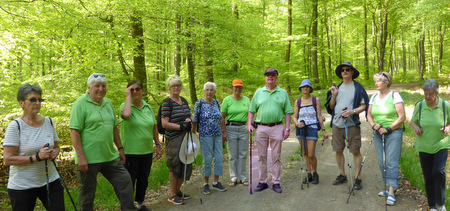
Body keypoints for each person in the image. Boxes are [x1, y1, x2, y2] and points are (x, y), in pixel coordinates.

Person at [70, 73, 136, 211]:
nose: (101, 89)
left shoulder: (108, 103)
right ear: (89, 88)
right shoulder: (80, 104)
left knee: (124, 181)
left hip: (109, 156)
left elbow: (114, 127)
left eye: (103, 86)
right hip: (88, 159)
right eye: (97, 86)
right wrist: (81, 156)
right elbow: (74, 132)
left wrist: (120, 148)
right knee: (87, 194)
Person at [4, 83, 64, 211]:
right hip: (22, 185)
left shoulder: (49, 122)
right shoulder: (15, 126)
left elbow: (57, 147)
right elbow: (8, 159)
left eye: (39, 99)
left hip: (51, 180)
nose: (37, 103)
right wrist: (36, 157)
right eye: (32, 100)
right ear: (21, 103)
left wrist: (55, 152)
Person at [247, 67, 292, 194]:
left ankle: (276, 182)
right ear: (265, 78)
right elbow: (251, 110)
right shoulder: (258, 92)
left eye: (273, 75)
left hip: (277, 127)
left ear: (277, 77)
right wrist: (249, 124)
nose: (270, 77)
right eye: (268, 75)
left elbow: (288, 112)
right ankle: (263, 181)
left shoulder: (282, 92)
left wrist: (287, 128)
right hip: (261, 128)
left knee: (276, 156)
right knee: (261, 156)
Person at [325, 62, 369, 190]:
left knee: (355, 150)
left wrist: (352, 112)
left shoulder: (358, 88)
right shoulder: (336, 88)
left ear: (352, 72)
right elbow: (331, 107)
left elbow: (364, 105)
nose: (345, 71)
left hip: (352, 125)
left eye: (347, 70)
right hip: (337, 124)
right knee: (338, 150)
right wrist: (333, 95)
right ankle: (342, 174)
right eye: (343, 70)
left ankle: (357, 177)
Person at [120, 80, 162, 211]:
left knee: (143, 179)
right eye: (131, 89)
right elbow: (126, 115)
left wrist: (158, 145)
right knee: (129, 181)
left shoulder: (147, 107)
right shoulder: (125, 106)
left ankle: (139, 204)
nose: (135, 92)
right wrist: (128, 97)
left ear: (142, 91)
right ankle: (127, 207)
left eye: (137, 89)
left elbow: (154, 127)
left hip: (147, 151)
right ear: (127, 91)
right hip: (131, 152)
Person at [366, 72, 406, 206]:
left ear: (387, 82)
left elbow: (402, 117)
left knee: (391, 161)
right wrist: (374, 126)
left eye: (379, 81)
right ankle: (388, 186)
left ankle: (391, 191)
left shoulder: (395, 96)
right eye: (375, 81)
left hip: (393, 132)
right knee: (381, 160)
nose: (376, 83)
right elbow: (369, 115)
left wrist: (388, 129)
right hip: (378, 132)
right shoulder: (373, 97)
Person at [410, 79, 450, 211]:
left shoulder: (445, 105)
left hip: (441, 144)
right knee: (428, 175)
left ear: (437, 93)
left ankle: (441, 203)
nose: (428, 97)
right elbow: (413, 121)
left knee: (439, 171)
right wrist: (416, 128)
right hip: (424, 146)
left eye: (431, 94)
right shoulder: (420, 106)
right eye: (425, 94)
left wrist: (448, 127)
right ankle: (432, 205)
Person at [161, 75, 193, 205]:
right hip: (173, 139)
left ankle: (178, 191)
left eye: (178, 85)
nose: (176, 88)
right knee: (175, 165)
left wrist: (190, 120)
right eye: (173, 86)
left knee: (186, 164)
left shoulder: (184, 100)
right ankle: (172, 194)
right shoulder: (167, 103)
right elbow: (164, 123)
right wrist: (181, 126)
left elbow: (190, 114)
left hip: (186, 137)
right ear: (169, 87)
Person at [193, 82, 227, 194]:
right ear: (204, 91)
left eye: (211, 90)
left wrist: (223, 132)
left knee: (218, 158)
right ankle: (206, 183)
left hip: (217, 135)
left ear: (214, 92)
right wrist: (193, 135)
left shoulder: (217, 103)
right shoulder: (199, 103)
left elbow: (221, 119)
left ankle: (216, 182)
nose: (209, 92)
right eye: (207, 90)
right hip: (205, 135)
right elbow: (194, 120)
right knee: (207, 159)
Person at [293, 79, 328, 185]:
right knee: (305, 153)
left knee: (311, 154)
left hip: (312, 128)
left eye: (307, 87)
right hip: (301, 129)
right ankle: (308, 174)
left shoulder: (315, 100)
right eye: (303, 87)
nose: (305, 88)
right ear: (301, 88)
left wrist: (323, 130)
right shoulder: (298, 101)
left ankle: (315, 173)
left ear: (310, 88)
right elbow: (294, 117)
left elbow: (319, 115)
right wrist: (297, 123)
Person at [221, 79, 250, 187]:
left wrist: (250, 125)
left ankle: (242, 177)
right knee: (232, 155)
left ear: (242, 88)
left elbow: (250, 114)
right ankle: (233, 178)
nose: (237, 89)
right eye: (235, 86)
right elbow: (222, 117)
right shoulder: (227, 100)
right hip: (231, 128)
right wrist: (224, 132)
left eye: (239, 87)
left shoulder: (246, 100)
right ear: (232, 87)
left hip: (243, 128)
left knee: (243, 154)